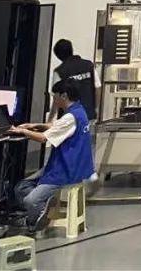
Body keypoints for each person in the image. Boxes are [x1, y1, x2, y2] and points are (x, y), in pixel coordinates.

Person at [9, 80, 96, 232]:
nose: (54, 100)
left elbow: (43, 138)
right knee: (21, 187)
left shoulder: (70, 116)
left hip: (66, 170)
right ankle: (44, 204)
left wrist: (22, 131)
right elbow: (58, 126)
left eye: (55, 96)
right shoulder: (79, 110)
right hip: (75, 165)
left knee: (30, 200)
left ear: (64, 96)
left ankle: (34, 219)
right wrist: (34, 125)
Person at [50, 39, 100, 122]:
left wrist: (51, 118)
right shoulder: (89, 65)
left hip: (68, 118)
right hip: (88, 115)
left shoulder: (59, 71)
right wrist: (96, 108)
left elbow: (56, 97)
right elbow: (97, 87)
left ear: (58, 55)